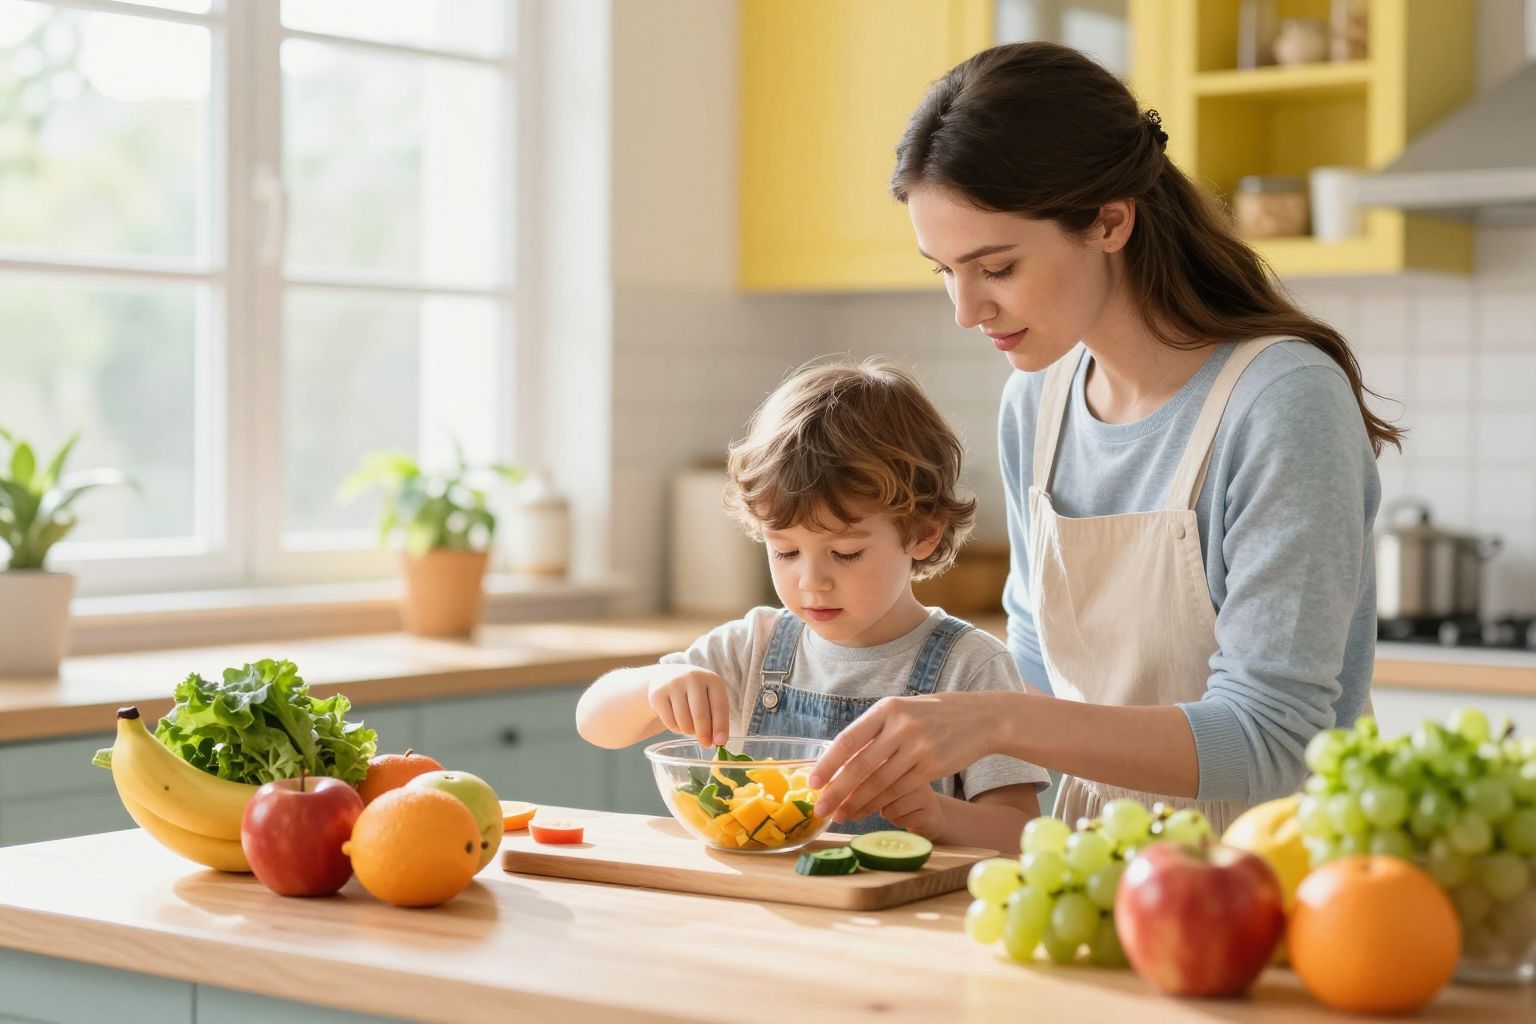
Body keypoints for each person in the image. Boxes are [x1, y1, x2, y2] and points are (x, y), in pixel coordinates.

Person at [808, 41, 1384, 836]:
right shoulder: (1035, 404)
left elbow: (1275, 738)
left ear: (1110, 221)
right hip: (1095, 868)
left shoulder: (1281, 402)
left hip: (1277, 883)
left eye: (997, 267)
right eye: (943, 271)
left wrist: (994, 721)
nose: (965, 310)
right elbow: (1042, 672)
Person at [576, 357, 1048, 853]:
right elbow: (594, 723)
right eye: (785, 550)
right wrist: (654, 683)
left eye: (845, 553)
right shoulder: (751, 647)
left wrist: (940, 816)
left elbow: (1022, 837)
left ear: (924, 535)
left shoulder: (970, 666)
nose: (811, 581)